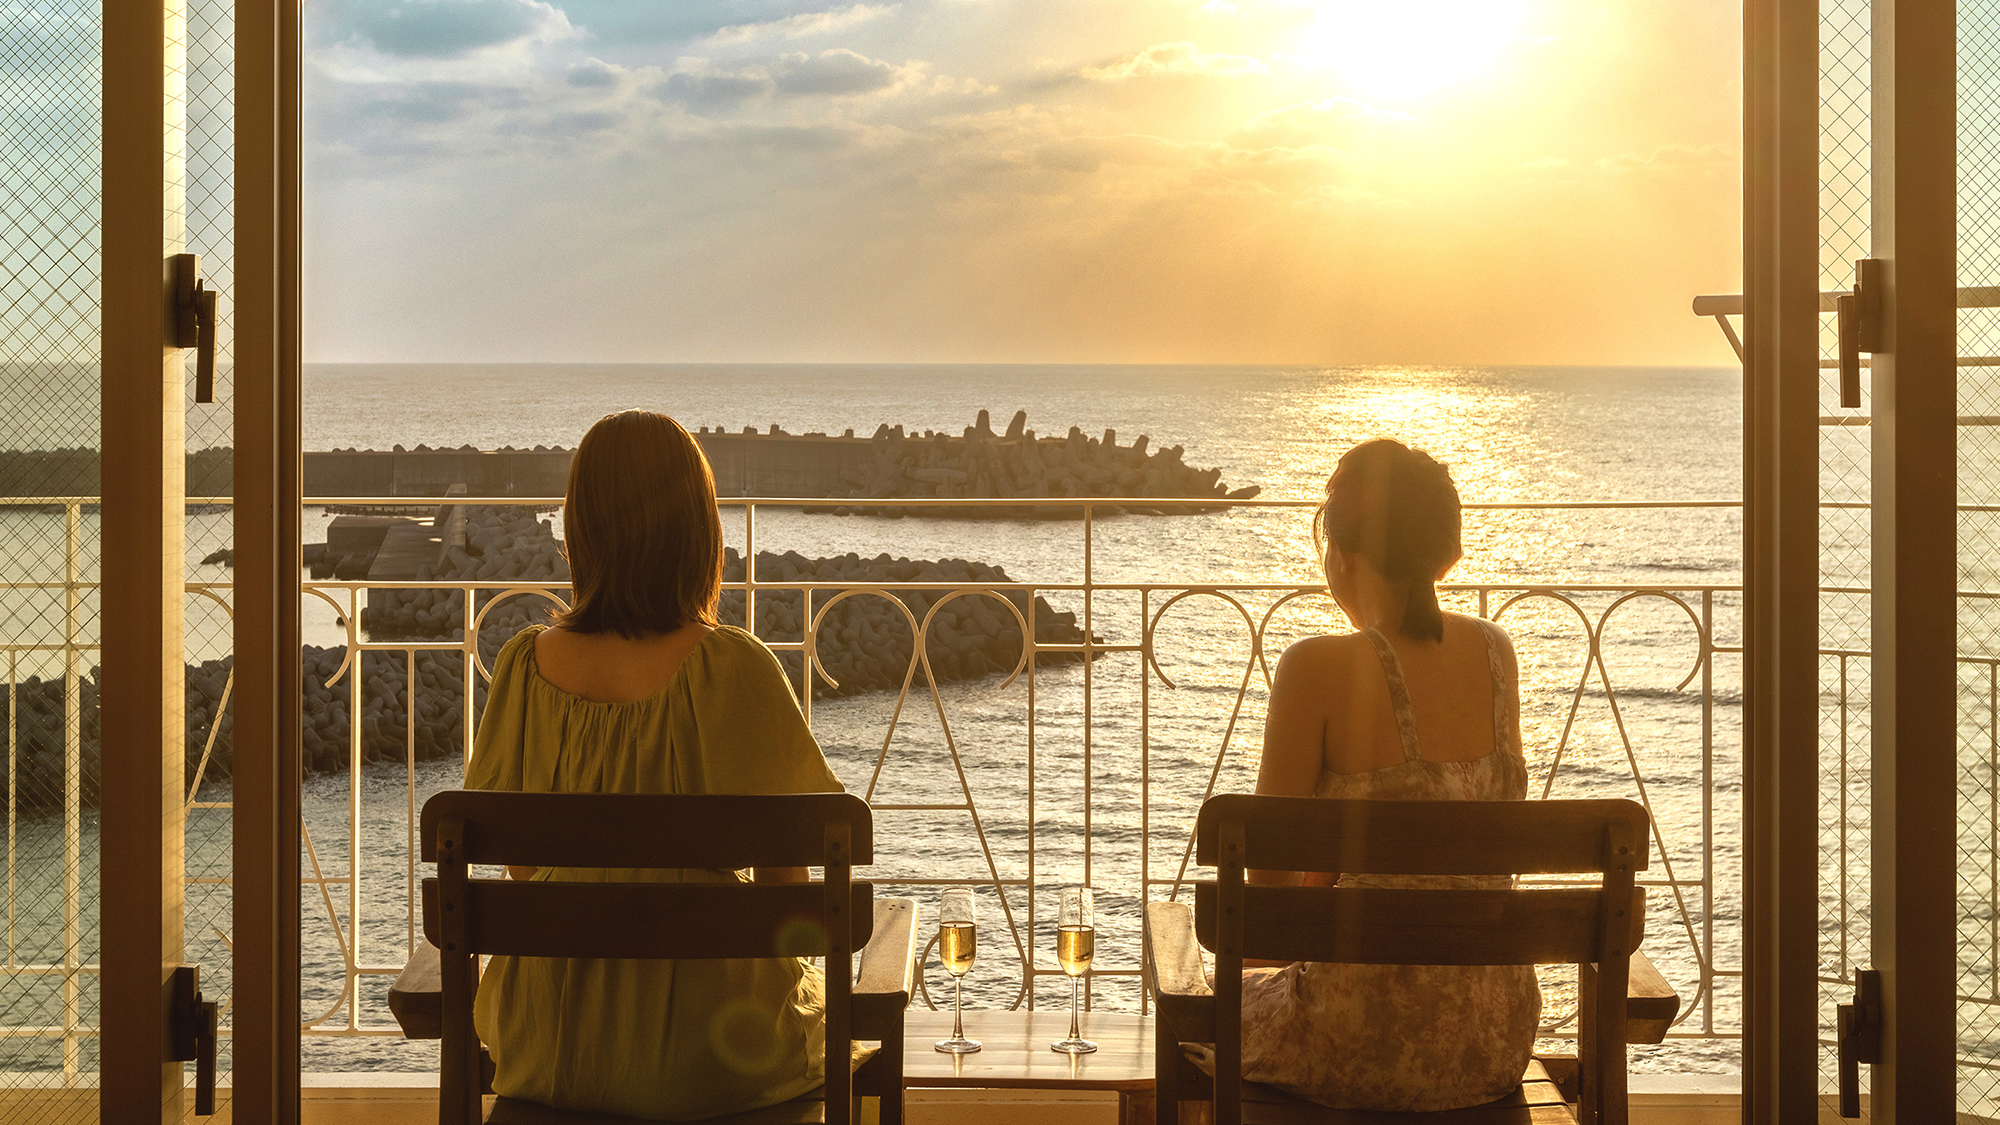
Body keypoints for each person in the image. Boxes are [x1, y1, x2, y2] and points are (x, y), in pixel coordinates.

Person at [465, 409, 843, 1120]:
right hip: (720, 1056)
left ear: (581, 530)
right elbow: (786, 884)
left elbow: (519, 865)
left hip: (552, 1046)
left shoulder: (520, 668)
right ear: (698, 528)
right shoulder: (736, 668)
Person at [1226, 438, 1541, 1111]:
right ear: (1443, 553)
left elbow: (1270, 894)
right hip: (1492, 1042)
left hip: (1355, 1042)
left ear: (1339, 555)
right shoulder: (1496, 652)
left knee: (1207, 993)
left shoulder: (1313, 667)